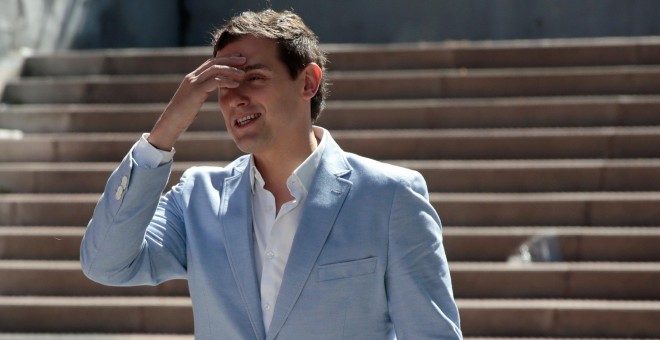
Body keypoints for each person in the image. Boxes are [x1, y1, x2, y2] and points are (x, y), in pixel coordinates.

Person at [80, 9, 462, 340]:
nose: (235, 96)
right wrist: (163, 135)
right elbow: (106, 264)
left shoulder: (390, 197)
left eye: (255, 77)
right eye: (222, 84)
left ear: (308, 82)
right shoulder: (196, 198)